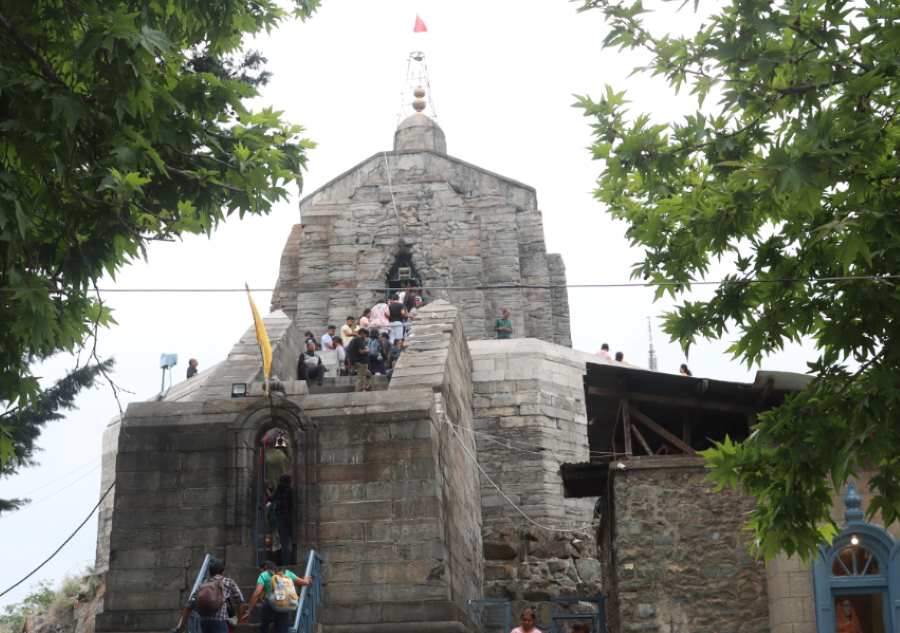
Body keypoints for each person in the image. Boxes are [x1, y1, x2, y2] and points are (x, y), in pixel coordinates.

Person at [240, 560, 311, 633]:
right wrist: (306, 579)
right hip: (285, 605)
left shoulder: (264, 575)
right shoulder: (287, 573)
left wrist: (249, 611)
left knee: (264, 627)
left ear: (265, 567)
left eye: (261, 570)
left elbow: (257, 593)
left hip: (269, 606)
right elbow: (305, 582)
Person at [176, 557, 244, 633]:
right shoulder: (228, 582)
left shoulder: (203, 584)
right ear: (222, 571)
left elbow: (189, 605)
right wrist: (239, 619)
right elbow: (240, 600)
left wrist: (182, 626)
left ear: (210, 572)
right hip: (220, 622)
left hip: (204, 622)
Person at [271, 474, 294, 564]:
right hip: (289, 517)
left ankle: (286, 561)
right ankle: (290, 560)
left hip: (281, 517)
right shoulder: (289, 490)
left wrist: (266, 489)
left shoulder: (280, 489)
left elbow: (272, 498)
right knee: (289, 540)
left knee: (283, 541)